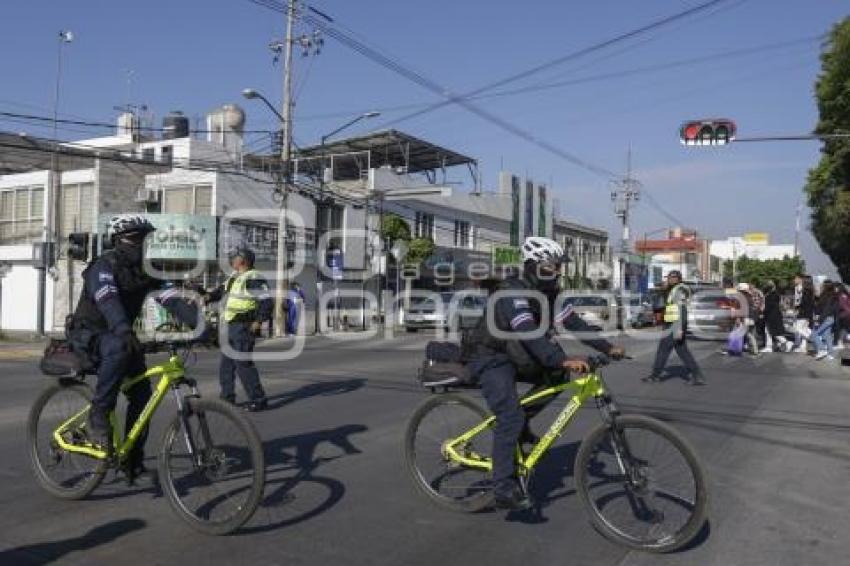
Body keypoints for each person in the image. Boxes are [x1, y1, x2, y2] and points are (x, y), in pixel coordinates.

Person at [465, 236, 625, 511]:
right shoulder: (511, 291)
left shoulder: (549, 293)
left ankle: (519, 426)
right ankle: (502, 485)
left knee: (556, 378)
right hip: (490, 357)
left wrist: (607, 346)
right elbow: (528, 330)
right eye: (554, 265)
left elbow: (573, 322)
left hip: (516, 355)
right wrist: (560, 359)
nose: (559, 271)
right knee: (510, 415)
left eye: (560, 265)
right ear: (534, 265)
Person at [69, 214, 160, 484]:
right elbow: (107, 299)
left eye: (144, 239)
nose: (140, 245)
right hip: (90, 336)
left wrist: (201, 326)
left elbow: (169, 297)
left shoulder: (144, 271)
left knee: (143, 395)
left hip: (120, 338)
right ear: (119, 241)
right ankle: (98, 414)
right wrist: (122, 327)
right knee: (121, 346)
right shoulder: (104, 266)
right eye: (135, 239)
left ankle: (132, 459)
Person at [201, 247, 271, 411]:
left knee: (243, 364)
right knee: (226, 365)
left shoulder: (254, 278)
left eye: (235, 257)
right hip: (230, 326)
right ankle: (227, 398)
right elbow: (220, 292)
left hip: (244, 327)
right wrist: (207, 296)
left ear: (243, 261)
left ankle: (259, 399)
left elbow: (266, 301)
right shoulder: (234, 277)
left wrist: (259, 321)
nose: (232, 260)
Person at [643, 270, 706, 385]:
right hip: (671, 324)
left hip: (675, 325)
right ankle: (697, 376)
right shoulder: (673, 289)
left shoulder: (680, 289)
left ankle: (655, 375)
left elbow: (682, 310)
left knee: (662, 351)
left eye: (673, 277)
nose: (670, 279)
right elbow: (660, 304)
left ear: (679, 278)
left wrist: (679, 328)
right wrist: (663, 289)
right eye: (669, 277)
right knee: (683, 352)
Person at [811, 280, 838, 361]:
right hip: (830, 318)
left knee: (814, 334)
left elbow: (825, 309)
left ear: (825, 286)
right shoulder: (833, 295)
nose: (821, 286)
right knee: (827, 336)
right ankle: (831, 354)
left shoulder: (826, 296)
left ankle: (822, 350)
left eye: (822, 285)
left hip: (826, 318)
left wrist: (819, 319)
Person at [761, 280, 790, 352]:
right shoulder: (775, 294)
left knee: (774, 332)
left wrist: (762, 312)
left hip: (772, 316)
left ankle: (785, 342)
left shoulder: (771, 295)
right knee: (768, 331)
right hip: (774, 315)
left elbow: (769, 306)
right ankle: (769, 346)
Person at [790, 274, 815, 353]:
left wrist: (796, 308)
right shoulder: (809, 289)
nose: (794, 280)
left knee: (798, 329)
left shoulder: (802, 289)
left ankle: (813, 338)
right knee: (803, 328)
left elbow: (800, 301)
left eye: (796, 278)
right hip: (807, 311)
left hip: (803, 311)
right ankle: (803, 347)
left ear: (801, 279)